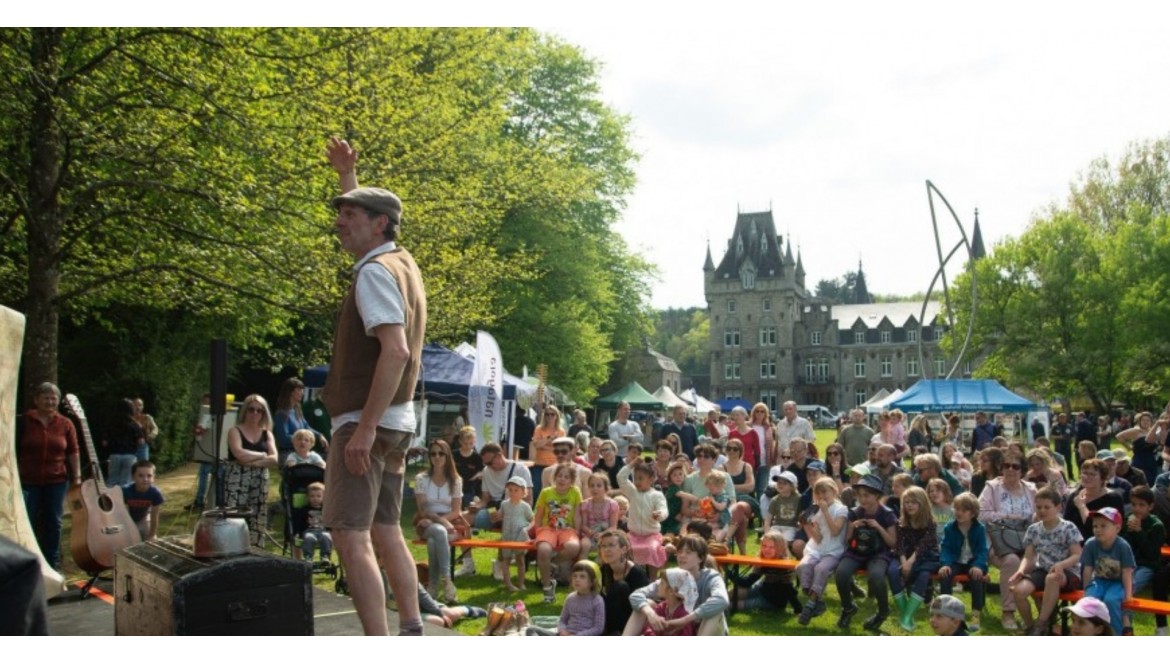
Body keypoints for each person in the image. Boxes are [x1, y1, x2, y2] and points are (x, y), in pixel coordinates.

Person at [321, 136, 428, 636]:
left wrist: (362, 429)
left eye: (350, 215)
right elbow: (373, 212)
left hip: (367, 422)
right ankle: (411, 628)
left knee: (350, 535)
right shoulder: (401, 262)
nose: (339, 223)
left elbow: (396, 351)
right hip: (398, 422)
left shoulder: (374, 274)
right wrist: (348, 177)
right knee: (386, 529)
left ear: (379, 224)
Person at [16, 382, 80, 571]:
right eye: (46, 398)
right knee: (27, 522)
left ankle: (52, 565)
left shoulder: (65, 424)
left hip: (56, 481)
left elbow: (73, 451)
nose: (50, 402)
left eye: (54, 398)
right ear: (36, 400)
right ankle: (26, 563)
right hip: (28, 481)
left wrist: (77, 476)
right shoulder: (23, 421)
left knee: (54, 522)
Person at [1009, 486, 1083, 635]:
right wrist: (1020, 571)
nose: (1042, 511)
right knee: (1019, 591)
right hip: (1043, 570)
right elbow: (1028, 557)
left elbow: (1077, 555)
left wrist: (1061, 565)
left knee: (1052, 578)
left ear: (1058, 507)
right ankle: (1030, 627)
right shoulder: (1033, 529)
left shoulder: (1068, 528)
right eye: (1038, 507)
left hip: (1068, 573)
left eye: (1047, 507)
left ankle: (1041, 623)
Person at [624, 534, 729, 636]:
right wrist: (650, 614)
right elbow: (636, 595)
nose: (682, 555)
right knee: (645, 604)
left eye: (688, 552)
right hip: (677, 630)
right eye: (679, 552)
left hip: (705, 629)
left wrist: (685, 620)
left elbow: (722, 600)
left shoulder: (710, 577)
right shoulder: (674, 576)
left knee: (715, 613)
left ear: (700, 558)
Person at [978, 449, 1035, 630]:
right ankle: (1008, 612)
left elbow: (1041, 513)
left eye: (1015, 466)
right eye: (1006, 465)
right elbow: (981, 514)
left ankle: (1039, 617)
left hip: (1026, 542)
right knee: (1012, 561)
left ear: (1022, 470)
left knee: (1038, 562)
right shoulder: (992, 487)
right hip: (998, 542)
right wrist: (1007, 516)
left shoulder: (1031, 489)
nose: (1010, 469)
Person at [834, 474, 897, 632]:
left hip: (878, 553)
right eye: (859, 495)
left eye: (866, 495)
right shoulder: (855, 512)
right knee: (841, 573)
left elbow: (892, 543)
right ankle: (848, 608)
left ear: (876, 495)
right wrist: (853, 526)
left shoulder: (887, 514)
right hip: (856, 552)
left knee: (876, 576)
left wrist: (878, 527)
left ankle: (883, 611)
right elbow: (848, 540)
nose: (862, 499)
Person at [413, 439, 464, 603]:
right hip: (426, 522)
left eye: (441, 453)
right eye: (433, 453)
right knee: (439, 531)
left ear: (447, 456)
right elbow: (422, 510)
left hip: (450, 523)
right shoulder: (421, 478)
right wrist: (438, 521)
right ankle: (447, 583)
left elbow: (456, 511)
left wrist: (442, 521)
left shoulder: (456, 480)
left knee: (434, 541)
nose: (437, 457)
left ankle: (433, 587)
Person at [224, 394, 278, 543]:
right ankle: (231, 545)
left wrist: (252, 462)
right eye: (251, 409)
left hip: (260, 479)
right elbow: (239, 453)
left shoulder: (267, 434)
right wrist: (262, 454)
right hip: (236, 479)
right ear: (245, 411)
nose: (255, 413)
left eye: (259, 410)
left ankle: (255, 546)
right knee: (234, 513)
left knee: (257, 514)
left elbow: (274, 459)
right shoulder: (234, 431)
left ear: (264, 413)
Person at [796, 477, 849, 625]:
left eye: (824, 492)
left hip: (834, 549)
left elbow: (835, 532)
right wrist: (807, 525)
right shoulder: (816, 510)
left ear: (834, 491)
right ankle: (817, 601)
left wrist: (825, 512)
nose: (821, 496)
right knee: (802, 566)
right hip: (817, 548)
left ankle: (810, 605)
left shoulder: (841, 509)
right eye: (818, 493)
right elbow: (818, 538)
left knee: (821, 569)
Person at [888, 486, 939, 631]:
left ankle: (906, 617)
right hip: (903, 555)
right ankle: (906, 614)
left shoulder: (931, 523)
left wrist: (909, 563)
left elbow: (923, 546)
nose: (909, 505)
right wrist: (904, 561)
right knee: (892, 571)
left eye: (914, 502)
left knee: (924, 575)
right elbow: (899, 544)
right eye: (907, 502)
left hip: (925, 556)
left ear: (922, 503)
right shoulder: (901, 522)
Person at [1080, 506, 1134, 635]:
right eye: (1095, 526)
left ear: (1117, 528)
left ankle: (1115, 633)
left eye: (1103, 526)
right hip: (1099, 581)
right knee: (1090, 600)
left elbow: (1127, 572)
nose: (1098, 529)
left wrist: (1128, 595)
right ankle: (1092, 632)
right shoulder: (1090, 544)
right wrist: (1086, 589)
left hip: (1119, 583)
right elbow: (1087, 569)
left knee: (1111, 600)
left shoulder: (1123, 546)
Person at [938, 492, 987, 632]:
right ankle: (947, 612)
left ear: (973, 513)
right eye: (957, 509)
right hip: (955, 560)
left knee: (976, 577)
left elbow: (982, 550)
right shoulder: (949, 527)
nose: (959, 512)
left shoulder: (979, 528)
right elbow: (946, 548)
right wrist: (946, 564)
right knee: (946, 575)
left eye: (964, 510)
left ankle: (975, 616)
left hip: (973, 561)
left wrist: (978, 565)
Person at [534, 463, 584, 603]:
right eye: (560, 476)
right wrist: (537, 532)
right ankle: (547, 587)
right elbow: (538, 515)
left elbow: (577, 515)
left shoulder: (575, 492)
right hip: (548, 528)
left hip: (567, 529)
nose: (562, 479)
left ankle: (551, 565)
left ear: (571, 481)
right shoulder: (546, 492)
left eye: (566, 477)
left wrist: (578, 531)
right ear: (554, 478)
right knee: (543, 550)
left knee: (573, 547)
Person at [1123, 485, 1166, 634]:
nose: (1137, 509)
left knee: (1128, 589)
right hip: (1129, 565)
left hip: (1148, 566)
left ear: (1150, 507)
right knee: (1118, 588)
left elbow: (1151, 553)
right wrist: (1130, 532)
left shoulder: (1156, 526)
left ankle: (1126, 629)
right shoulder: (1128, 520)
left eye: (1142, 505)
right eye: (1134, 504)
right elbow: (1124, 547)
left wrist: (1139, 532)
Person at [525, 560, 605, 636]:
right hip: (565, 634)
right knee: (531, 630)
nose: (577, 579)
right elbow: (562, 620)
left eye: (582, 576)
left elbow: (598, 628)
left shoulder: (597, 600)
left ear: (592, 581)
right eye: (575, 576)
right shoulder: (570, 598)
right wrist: (562, 630)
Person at [617, 460, 668, 574]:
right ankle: (630, 575)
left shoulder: (657, 495)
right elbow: (621, 478)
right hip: (634, 535)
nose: (637, 482)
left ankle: (653, 578)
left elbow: (664, 509)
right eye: (635, 478)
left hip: (651, 535)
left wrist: (659, 514)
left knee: (651, 549)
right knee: (627, 549)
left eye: (641, 478)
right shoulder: (632, 492)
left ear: (651, 479)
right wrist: (631, 464)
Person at [734, 531, 801, 615]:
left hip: (771, 600)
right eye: (764, 546)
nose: (767, 550)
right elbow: (748, 582)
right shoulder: (762, 559)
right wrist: (729, 573)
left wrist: (798, 609)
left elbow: (789, 589)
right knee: (729, 595)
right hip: (761, 589)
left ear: (780, 548)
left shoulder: (784, 566)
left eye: (771, 547)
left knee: (733, 605)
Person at [598, 529, 650, 635]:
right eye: (603, 546)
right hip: (606, 621)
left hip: (630, 623)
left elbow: (643, 605)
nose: (606, 550)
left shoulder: (637, 573)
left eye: (611, 545)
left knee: (620, 587)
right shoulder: (602, 570)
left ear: (623, 549)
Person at [1065, 458, 1126, 540]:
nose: (1087, 477)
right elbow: (1066, 525)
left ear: (1102, 479)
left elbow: (1094, 529)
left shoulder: (1113, 499)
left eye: (1092, 474)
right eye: (1084, 473)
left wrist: (1082, 506)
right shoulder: (1074, 496)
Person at [273, 377, 327, 467]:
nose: (302, 392)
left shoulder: (297, 410)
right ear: (291, 392)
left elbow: (306, 427)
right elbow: (283, 439)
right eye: (299, 390)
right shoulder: (281, 414)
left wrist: (319, 435)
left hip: (302, 454)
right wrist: (302, 439)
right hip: (288, 455)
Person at [498, 476, 534, 591]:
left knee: (520, 559)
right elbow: (500, 515)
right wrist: (495, 516)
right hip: (507, 536)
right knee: (506, 560)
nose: (512, 493)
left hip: (519, 536)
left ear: (523, 492)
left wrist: (526, 529)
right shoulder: (504, 504)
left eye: (516, 490)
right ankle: (508, 584)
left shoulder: (525, 506)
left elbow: (532, 520)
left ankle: (521, 583)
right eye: (510, 490)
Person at [641, 567, 700, 635]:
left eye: (662, 583)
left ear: (671, 591)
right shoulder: (662, 607)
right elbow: (648, 627)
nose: (658, 585)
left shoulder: (684, 613)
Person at [576, 472, 619, 559]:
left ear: (606, 488)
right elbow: (584, 525)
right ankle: (582, 565)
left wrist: (602, 534)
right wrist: (590, 532)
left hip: (606, 533)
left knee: (605, 545)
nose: (595, 488)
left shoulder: (612, 504)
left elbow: (613, 527)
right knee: (585, 545)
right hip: (589, 534)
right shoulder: (585, 504)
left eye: (599, 486)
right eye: (592, 486)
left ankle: (603, 564)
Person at [103, 397, 144, 488]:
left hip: (114, 455)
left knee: (111, 481)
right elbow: (141, 441)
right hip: (130, 455)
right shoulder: (134, 424)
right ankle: (123, 496)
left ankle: (108, 496)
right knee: (126, 482)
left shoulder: (111, 423)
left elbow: (104, 443)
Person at [122, 460, 164, 541]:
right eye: (140, 476)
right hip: (126, 519)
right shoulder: (125, 491)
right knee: (126, 540)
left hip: (143, 518)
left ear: (153, 477)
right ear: (133, 477)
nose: (145, 479)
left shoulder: (156, 493)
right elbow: (124, 513)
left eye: (149, 476)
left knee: (152, 541)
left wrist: (152, 535)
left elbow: (154, 516)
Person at [531, 404, 566, 498]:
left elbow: (561, 449)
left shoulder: (561, 431)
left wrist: (544, 446)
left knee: (553, 490)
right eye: (547, 414)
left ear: (556, 416)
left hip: (555, 465)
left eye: (552, 414)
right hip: (539, 464)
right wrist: (549, 438)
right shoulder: (539, 429)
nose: (549, 416)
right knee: (537, 490)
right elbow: (536, 445)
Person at [452, 425, 483, 509]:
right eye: (465, 443)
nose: (468, 446)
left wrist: (475, 476)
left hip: (469, 487)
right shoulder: (453, 454)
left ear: (475, 442)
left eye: (471, 443)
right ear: (460, 441)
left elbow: (482, 471)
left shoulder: (477, 457)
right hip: (453, 486)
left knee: (466, 506)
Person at [300, 482, 332, 562]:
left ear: (323, 497)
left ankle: (325, 556)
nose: (315, 499)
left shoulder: (326, 510)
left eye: (318, 496)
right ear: (308, 497)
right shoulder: (304, 510)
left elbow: (331, 522)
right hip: (309, 530)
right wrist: (298, 532)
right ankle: (308, 557)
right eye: (312, 496)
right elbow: (299, 522)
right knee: (309, 538)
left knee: (326, 536)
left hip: (323, 530)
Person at [1051, 412, 1075, 479]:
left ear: (1066, 418)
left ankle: (1071, 476)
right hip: (1059, 447)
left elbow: (1073, 436)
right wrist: (1059, 437)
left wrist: (1072, 443)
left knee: (1069, 462)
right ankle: (1060, 476)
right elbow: (1052, 436)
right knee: (1059, 463)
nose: (1062, 419)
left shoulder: (1069, 426)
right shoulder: (1055, 426)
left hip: (1067, 447)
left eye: (1064, 418)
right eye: (1061, 418)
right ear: (1059, 418)